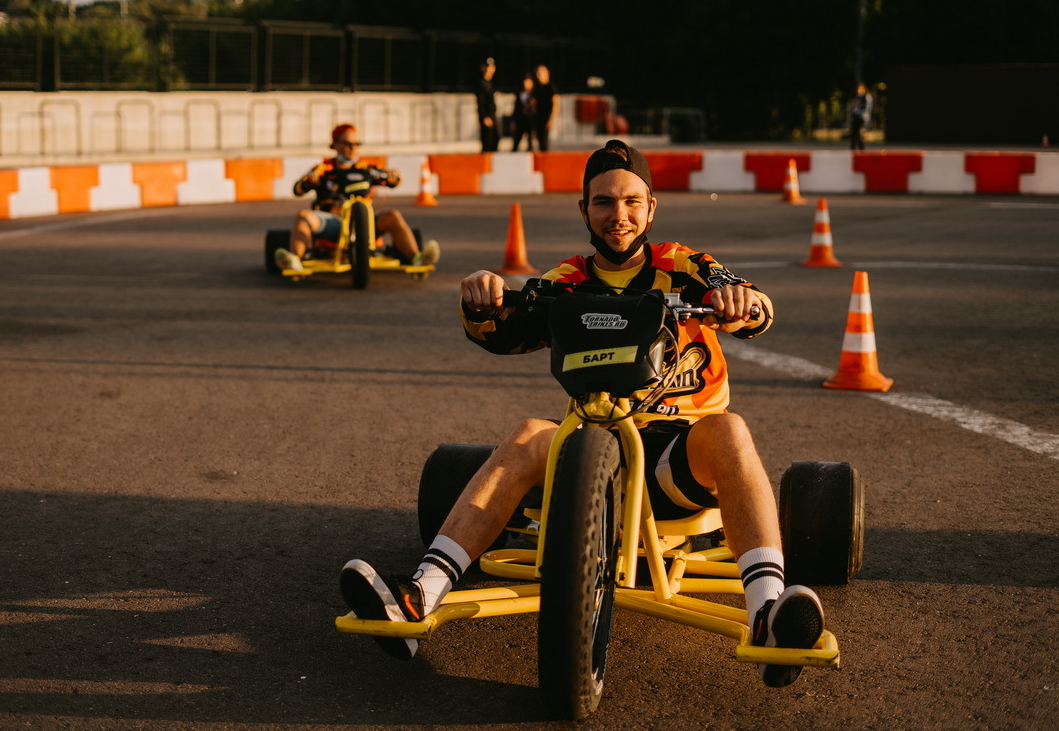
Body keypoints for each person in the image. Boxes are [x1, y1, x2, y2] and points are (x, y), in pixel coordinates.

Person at [340, 139, 825, 689]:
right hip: (592, 454)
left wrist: (741, 302)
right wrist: (481, 302)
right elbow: (504, 332)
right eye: (603, 202)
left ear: (650, 208)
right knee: (528, 432)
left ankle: (765, 613)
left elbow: (753, 306)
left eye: (631, 202)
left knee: (731, 430)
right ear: (584, 210)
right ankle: (417, 596)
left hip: (674, 461)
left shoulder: (685, 266)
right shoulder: (564, 281)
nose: (618, 215)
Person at [273, 124, 440, 272]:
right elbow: (298, 189)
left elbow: (394, 180)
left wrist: (394, 176)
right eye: (347, 144)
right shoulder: (324, 169)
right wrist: (309, 182)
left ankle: (417, 257)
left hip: (364, 221)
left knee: (393, 215)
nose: (352, 148)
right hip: (334, 222)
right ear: (335, 145)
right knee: (303, 216)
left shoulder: (366, 168)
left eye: (355, 144)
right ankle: (294, 259)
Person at [531, 64, 558, 152]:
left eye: (541, 72)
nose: (538, 74)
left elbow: (556, 104)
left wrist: (551, 119)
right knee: (536, 141)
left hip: (545, 118)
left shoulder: (551, 87)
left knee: (544, 143)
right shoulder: (536, 88)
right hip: (537, 118)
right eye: (537, 72)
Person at [475, 58, 499, 153]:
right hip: (487, 117)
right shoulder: (481, 83)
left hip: (492, 116)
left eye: (491, 67)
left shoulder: (491, 82)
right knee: (487, 142)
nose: (489, 69)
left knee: (495, 140)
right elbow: (480, 102)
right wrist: (484, 116)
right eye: (487, 67)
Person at [511, 72, 537, 152]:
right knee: (516, 140)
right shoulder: (519, 93)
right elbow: (516, 108)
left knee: (530, 142)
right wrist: (513, 121)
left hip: (530, 120)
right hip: (520, 120)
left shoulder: (535, 93)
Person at [849, 83, 872, 151]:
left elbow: (866, 108)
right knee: (854, 131)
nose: (860, 90)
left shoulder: (867, 97)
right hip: (856, 116)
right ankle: (853, 146)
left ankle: (861, 146)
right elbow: (853, 107)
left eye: (862, 89)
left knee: (860, 132)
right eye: (859, 89)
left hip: (862, 117)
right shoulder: (857, 97)